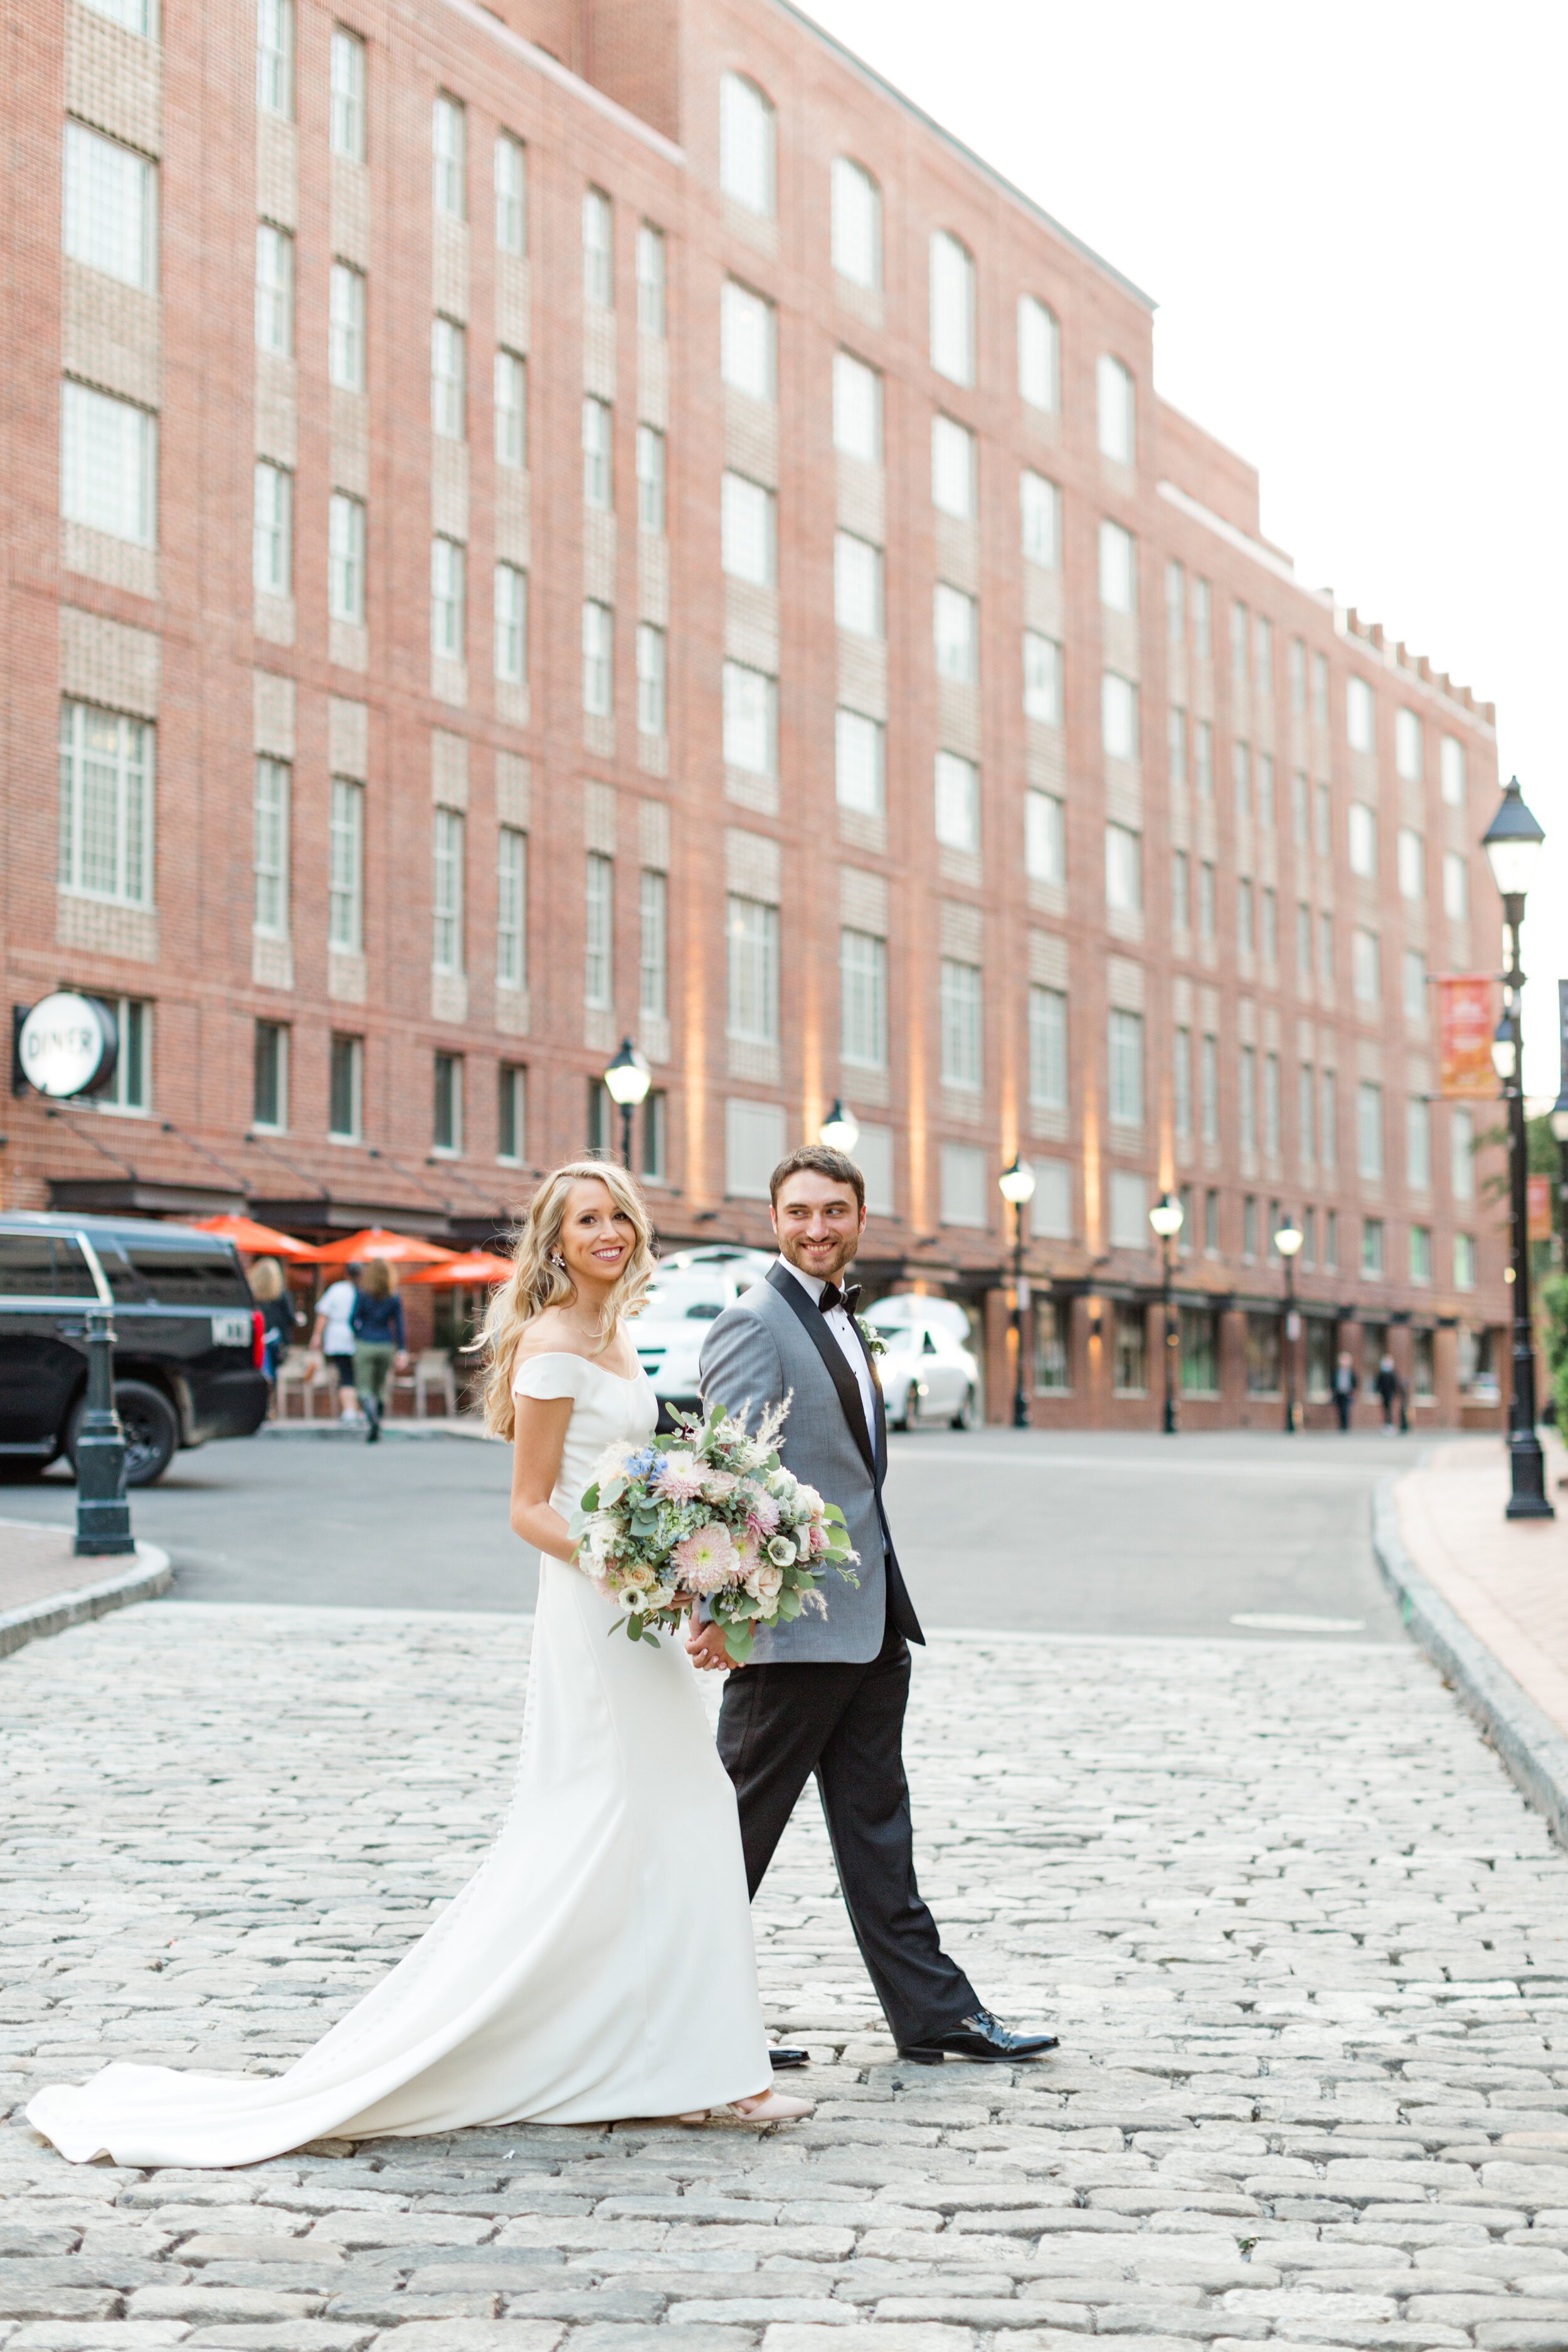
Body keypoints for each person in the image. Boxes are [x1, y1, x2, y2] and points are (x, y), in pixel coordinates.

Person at [25, 1160, 805, 2167]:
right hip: (597, 1613)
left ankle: (677, 2060)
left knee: (664, 1820)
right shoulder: (555, 1343)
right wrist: (640, 1567)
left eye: (618, 1215)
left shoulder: (615, 1334)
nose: (607, 1232)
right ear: (554, 1241)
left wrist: (689, 1565)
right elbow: (530, 1509)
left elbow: (633, 1478)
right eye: (585, 1220)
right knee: (655, 1811)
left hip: (639, 1610)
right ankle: (706, 2070)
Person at [692, 1144, 1059, 2069]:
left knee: (877, 1828)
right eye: (801, 1211)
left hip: (869, 1616)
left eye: (836, 1211)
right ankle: (672, 2017)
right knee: (728, 1833)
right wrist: (725, 1605)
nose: (819, 1227)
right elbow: (731, 1476)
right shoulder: (752, 1322)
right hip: (790, 1627)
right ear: (773, 1219)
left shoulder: (844, 1316)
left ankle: (934, 2012)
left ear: (862, 1219)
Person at [350, 1260, 408, 1442]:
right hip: (385, 1344)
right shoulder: (394, 1296)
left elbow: (352, 1319)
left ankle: (373, 1421)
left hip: (365, 1342)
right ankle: (378, 1424)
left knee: (364, 1388)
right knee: (381, 1387)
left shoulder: (363, 1293)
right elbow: (399, 1325)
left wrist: (359, 1333)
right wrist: (402, 1349)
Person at [308, 1268, 361, 1421]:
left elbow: (323, 1314)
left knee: (345, 1375)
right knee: (355, 1375)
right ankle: (355, 1409)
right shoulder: (362, 1291)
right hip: (357, 1337)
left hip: (338, 1337)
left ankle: (349, 1410)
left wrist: (317, 1336)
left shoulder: (337, 1289)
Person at [247, 1257, 299, 1394]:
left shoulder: (252, 1296)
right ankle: (270, 1399)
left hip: (257, 1335)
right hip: (275, 1337)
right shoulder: (281, 1294)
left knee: (261, 1368)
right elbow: (290, 1317)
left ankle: (262, 1396)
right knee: (271, 1371)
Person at [1374, 1352, 1402, 1431]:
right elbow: (1378, 1384)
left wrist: (1396, 1393)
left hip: (1390, 1394)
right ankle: (1387, 1424)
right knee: (1385, 1409)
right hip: (1383, 1394)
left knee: (1389, 1409)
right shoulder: (1381, 1373)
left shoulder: (1393, 1374)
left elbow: (1395, 1385)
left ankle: (1390, 1424)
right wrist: (1377, 1392)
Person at [1332, 1350, 1357, 1432]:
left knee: (1346, 1409)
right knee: (1339, 1410)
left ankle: (1346, 1426)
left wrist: (1353, 1391)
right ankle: (1341, 1426)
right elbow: (1333, 1382)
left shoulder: (1351, 1372)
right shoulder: (1337, 1371)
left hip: (1348, 1393)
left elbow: (1355, 1382)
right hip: (1339, 1393)